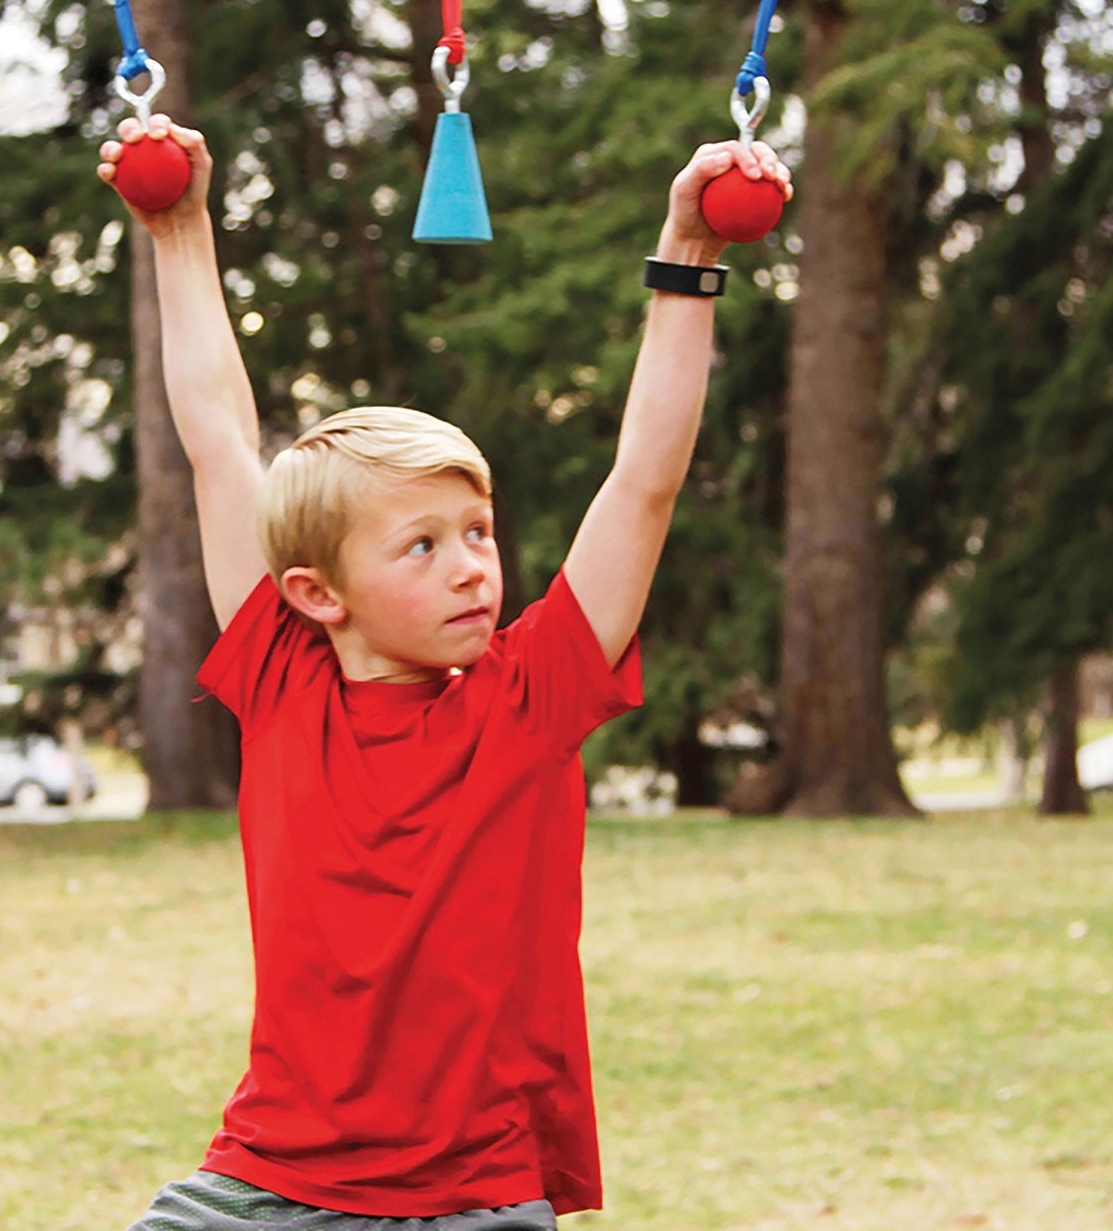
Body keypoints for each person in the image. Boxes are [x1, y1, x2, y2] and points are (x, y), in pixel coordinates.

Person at [97, 114, 791, 1231]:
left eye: (479, 530)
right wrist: (180, 235)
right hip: (268, 1182)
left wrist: (690, 261)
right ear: (319, 593)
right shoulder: (283, 681)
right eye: (423, 546)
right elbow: (218, 440)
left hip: (470, 1197)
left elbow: (643, 483)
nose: (475, 567)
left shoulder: (534, 694)